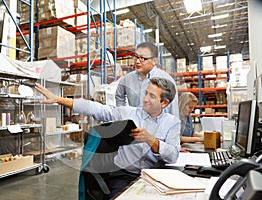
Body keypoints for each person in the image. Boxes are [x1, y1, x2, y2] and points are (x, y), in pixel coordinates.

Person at [35, 77, 180, 198]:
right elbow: (96, 109)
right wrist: (59, 99)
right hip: (124, 175)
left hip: (154, 178)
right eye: (146, 93)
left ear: (164, 103)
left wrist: (151, 140)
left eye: (152, 96)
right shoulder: (128, 113)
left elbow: (172, 156)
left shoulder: (172, 123)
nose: (146, 99)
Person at [115, 41, 179, 118]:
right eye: (136, 57)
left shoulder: (167, 81)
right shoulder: (127, 79)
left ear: (154, 61)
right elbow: (119, 96)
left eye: (142, 58)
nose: (137, 61)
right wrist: (123, 115)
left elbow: (173, 111)